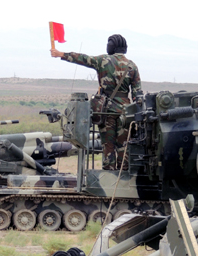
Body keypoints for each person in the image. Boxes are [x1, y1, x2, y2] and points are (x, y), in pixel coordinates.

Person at [51, 34, 142, 170]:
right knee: (124, 148)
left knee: (108, 147)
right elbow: (137, 95)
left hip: (106, 112)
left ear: (111, 46)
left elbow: (82, 58)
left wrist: (61, 54)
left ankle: (109, 178)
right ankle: (124, 178)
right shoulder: (132, 66)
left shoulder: (103, 60)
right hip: (125, 114)